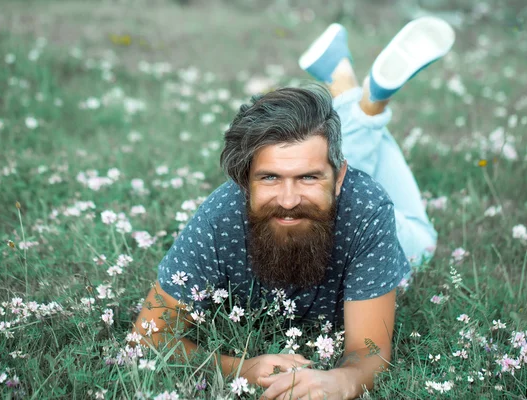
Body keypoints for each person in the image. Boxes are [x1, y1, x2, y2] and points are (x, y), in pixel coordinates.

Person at [133, 17, 455, 400]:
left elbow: (369, 353)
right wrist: (241, 368)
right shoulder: (218, 218)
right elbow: (147, 336)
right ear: (244, 181)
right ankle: (356, 97)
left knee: (423, 240)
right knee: (321, 151)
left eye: (308, 178)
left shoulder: (367, 208)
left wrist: (342, 380)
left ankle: (361, 102)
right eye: (269, 178)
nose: (288, 200)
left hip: (367, 215)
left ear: (339, 179)